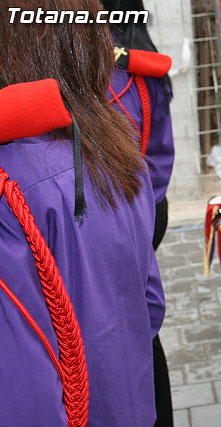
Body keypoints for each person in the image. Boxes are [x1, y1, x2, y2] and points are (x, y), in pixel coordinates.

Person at [0, 1, 164, 425]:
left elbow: (24, 381)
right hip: (131, 403)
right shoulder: (121, 148)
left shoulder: (11, 180)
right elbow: (150, 302)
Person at [102, 0, 175, 423]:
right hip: (142, 208)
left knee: (130, 325)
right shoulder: (140, 67)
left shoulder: (120, 70)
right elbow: (162, 156)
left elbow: (154, 156)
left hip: (123, 214)